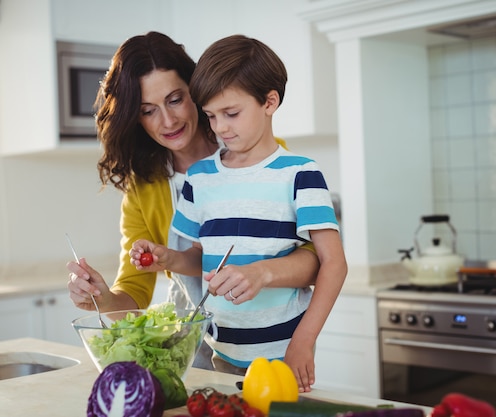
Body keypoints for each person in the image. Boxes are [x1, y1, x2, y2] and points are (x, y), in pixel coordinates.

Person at [65, 32, 320, 368]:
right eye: (148, 110)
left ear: (196, 90)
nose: (167, 121)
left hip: (269, 339)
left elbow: (318, 260)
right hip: (192, 333)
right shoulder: (144, 187)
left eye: (174, 99)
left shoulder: (261, 155)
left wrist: (262, 272)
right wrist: (103, 298)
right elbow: (135, 289)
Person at [130, 34, 347, 392]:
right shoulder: (200, 178)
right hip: (221, 352)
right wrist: (168, 258)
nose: (219, 128)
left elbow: (334, 263)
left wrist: (303, 342)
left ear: (269, 101)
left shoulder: (300, 173)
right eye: (211, 116)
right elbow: (198, 259)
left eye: (231, 114)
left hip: (282, 352)